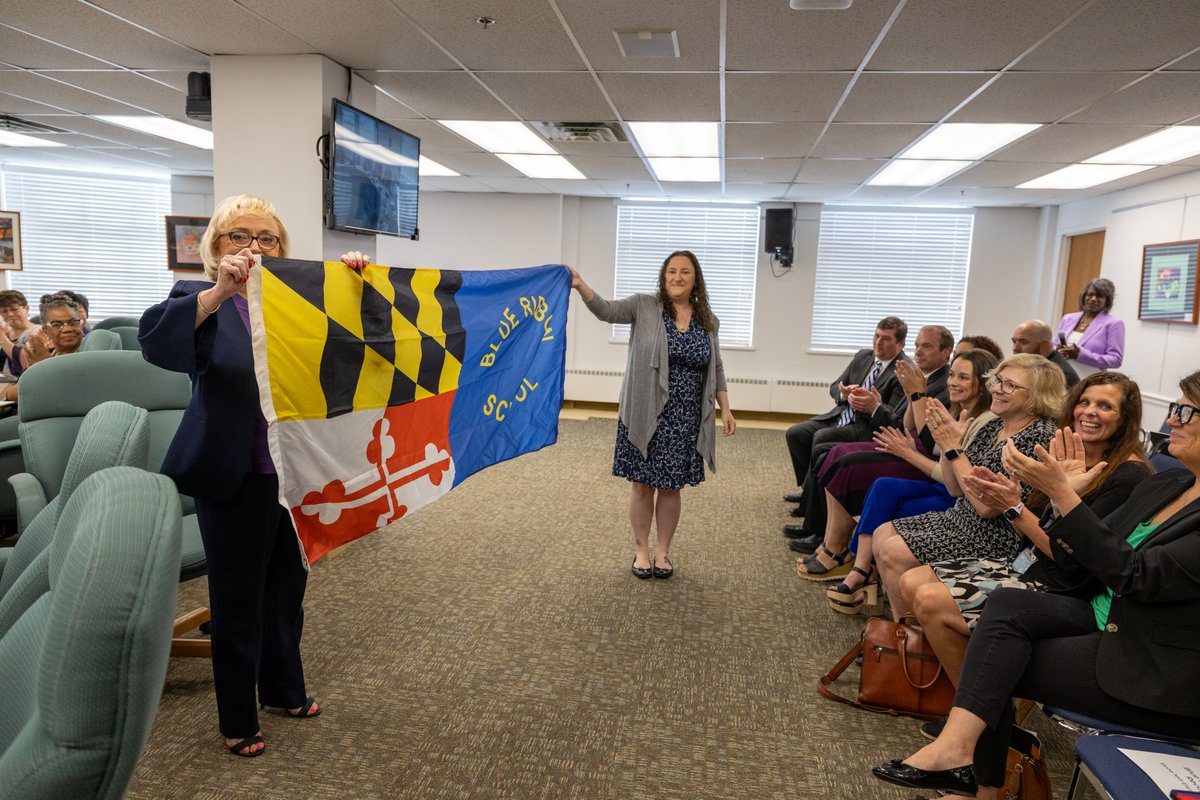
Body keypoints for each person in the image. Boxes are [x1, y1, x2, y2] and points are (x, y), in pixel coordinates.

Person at [871, 370, 1200, 800]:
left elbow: (1134, 574)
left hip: (1142, 650)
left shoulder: (1134, 475)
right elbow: (1088, 547)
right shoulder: (1173, 481)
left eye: (1185, 410)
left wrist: (1060, 498)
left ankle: (971, 761)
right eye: (1174, 408)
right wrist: (1063, 499)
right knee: (1005, 610)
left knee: (988, 667)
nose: (1171, 420)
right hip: (1097, 602)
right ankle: (969, 762)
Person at [139, 193, 370, 758]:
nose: (253, 247)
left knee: (288, 589)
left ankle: (284, 688)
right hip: (234, 470)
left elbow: (354, 351)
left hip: (296, 470)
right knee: (238, 598)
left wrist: (356, 285)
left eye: (267, 238)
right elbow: (156, 344)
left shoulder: (294, 300)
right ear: (214, 246)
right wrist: (221, 290)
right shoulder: (198, 298)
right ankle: (238, 717)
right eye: (238, 235)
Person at [899, 371, 1151, 686]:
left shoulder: (1126, 477)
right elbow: (1029, 520)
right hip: (1030, 563)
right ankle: (963, 691)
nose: (1089, 412)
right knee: (910, 581)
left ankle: (974, 710)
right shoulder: (1068, 450)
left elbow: (1072, 559)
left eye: (1105, 406)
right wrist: (1011, 499)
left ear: (1125, 418)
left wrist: (1013, 508)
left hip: (1067, 587)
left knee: (928, 600)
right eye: (1084, 402)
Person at [569, 251, 735, 579]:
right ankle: (641, 549)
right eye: (671, 271)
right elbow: (606, 310)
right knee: (643, 485)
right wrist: (579, 285)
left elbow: (715, 365)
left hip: (685, 418)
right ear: (663, 276)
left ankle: (663, 552)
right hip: (647, 413)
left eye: (685, 272)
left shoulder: (708, 320)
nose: (677, 277)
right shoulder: (644, 306)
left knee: (672, 487)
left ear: (695, 279)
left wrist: (725, 408)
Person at [797, 349, 997, 606]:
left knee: (857, 472)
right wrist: (912, 394)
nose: (953, 382)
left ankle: (856, 566)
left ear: (983, 384)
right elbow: (910, 426)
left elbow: (949, 474)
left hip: (951, 492)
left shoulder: (982, 421)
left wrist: (916, 404)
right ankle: (858, 566)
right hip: (934, 474)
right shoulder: (956, 407)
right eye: (953, 375)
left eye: (963, 377)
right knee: (879, 484)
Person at [873, 353, 1062, 620]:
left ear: (1037, 396)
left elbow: (986, 507)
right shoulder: (995, 425)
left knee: (894, 551)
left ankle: (910, 638)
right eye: (998, 380)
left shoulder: (1039, 436)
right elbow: (954, 489)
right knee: (882, 534)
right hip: (961, 519)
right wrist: (948, 444)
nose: (996, 388)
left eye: (1009, 385)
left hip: (995, 540)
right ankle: (903, 633)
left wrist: (953, 448)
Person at [788, 325, 954, 564]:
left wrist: (880, 406)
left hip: (904, 447)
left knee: (836, 456)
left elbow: (918, 436)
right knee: (823, 447)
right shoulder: (900, 369)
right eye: (917, 345)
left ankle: (834, 545)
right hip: (880, 431)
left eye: (926, 346)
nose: (918, 351)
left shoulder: (935, 383)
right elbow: (907, 423)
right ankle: (823, 532)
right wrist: (846, 394)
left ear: (946, 352)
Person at [782, 317, 910, 509]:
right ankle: (808, 491)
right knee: (796, 433)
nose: (878, 342)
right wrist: (844, 392)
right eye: (876, 336)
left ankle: (811, 503)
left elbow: (893, 416)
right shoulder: (863, 356)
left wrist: (873, 406)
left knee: (821, 438)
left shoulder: (903, 370)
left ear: (900, 344)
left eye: (885, 338)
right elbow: (835, 386)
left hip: (865, 427)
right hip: (840, 416)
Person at [1055, 277, 1124, 375]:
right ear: (1083, 296)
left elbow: (1115, 360)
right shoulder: (1068, 318)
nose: (1093, 299)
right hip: (1062, 376)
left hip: (1090, 380)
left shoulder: (1114, 324)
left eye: (1099, 296)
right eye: (1090, 294)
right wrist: (1058, 350)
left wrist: (1080, 355)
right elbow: (1053, 345)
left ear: (1107, 301)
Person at [1010, 319, 1079, 387]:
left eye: (1023, 342)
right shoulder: (1035, 365)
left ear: (1044, 346)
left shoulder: (1056, 375)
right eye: (1014, 341)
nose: (1015, 348)